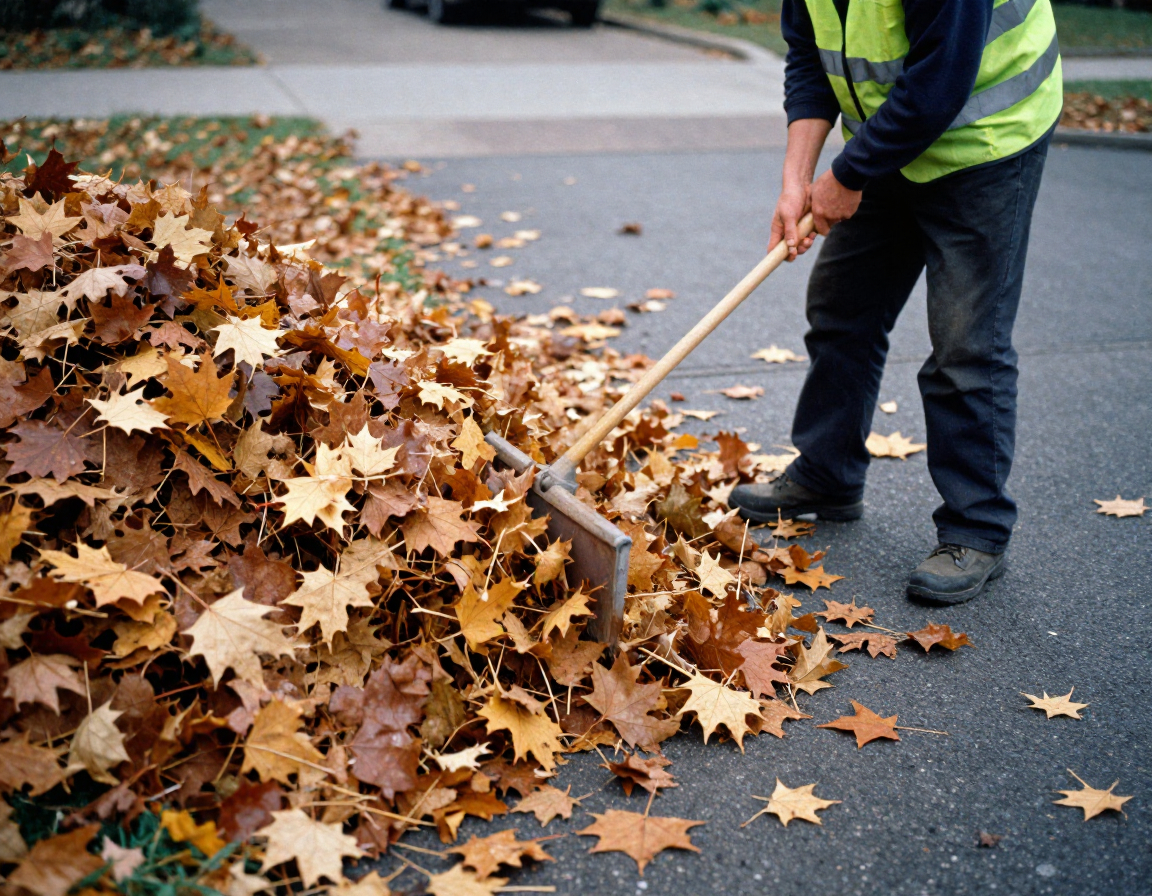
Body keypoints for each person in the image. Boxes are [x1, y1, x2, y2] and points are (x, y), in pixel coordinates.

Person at [728, 0, 1063, 604]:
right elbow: (810, 58)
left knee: (966, 342)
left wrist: (848, 176)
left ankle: (975, 528)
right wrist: (796, 181)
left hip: (984, 140)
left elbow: (941, 80)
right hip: (890, 136)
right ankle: (827, 476)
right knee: (841, 309)